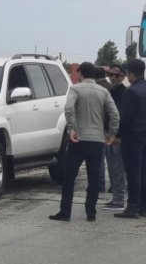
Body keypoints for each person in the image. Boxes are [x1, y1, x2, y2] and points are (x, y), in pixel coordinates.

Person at [49, 62, 119, 222]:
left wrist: (72, 128)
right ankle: (91, 213)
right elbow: (115, 114)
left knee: (69, 177)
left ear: (80, 74)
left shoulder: (75, 89)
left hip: (78, 139)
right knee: (94, 177)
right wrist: (111, 134)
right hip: (97, 140)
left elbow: (68, 108)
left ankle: (65, 212)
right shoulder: (103, 91)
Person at [114, 59, 146, 219]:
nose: (126, 76)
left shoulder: (131, 92)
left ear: (131, 73)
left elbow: (125, 118)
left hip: (134, 136)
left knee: (133, 173)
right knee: (144, 171)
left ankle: (132, 208)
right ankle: (144, 207)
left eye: (127, 73)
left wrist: (117, 135)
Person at [103, 64, 128, 211]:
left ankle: (119, 199)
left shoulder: (125, 94)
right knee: (112, 168)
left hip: (118, 137)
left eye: (116, 75)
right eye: (110, 74)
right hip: (108, 134)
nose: (113, 78)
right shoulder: (109, 92)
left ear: (123, 76)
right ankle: (116, 197)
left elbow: (123, 117)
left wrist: (118, 136)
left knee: (118, 168)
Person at [94, 66, 111, 193]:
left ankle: (99, 185)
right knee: (113, 159)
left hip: (99, 126)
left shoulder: (96, 90)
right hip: (111, 127)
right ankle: (114, 184)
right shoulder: (111, 87)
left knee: (99, 158)